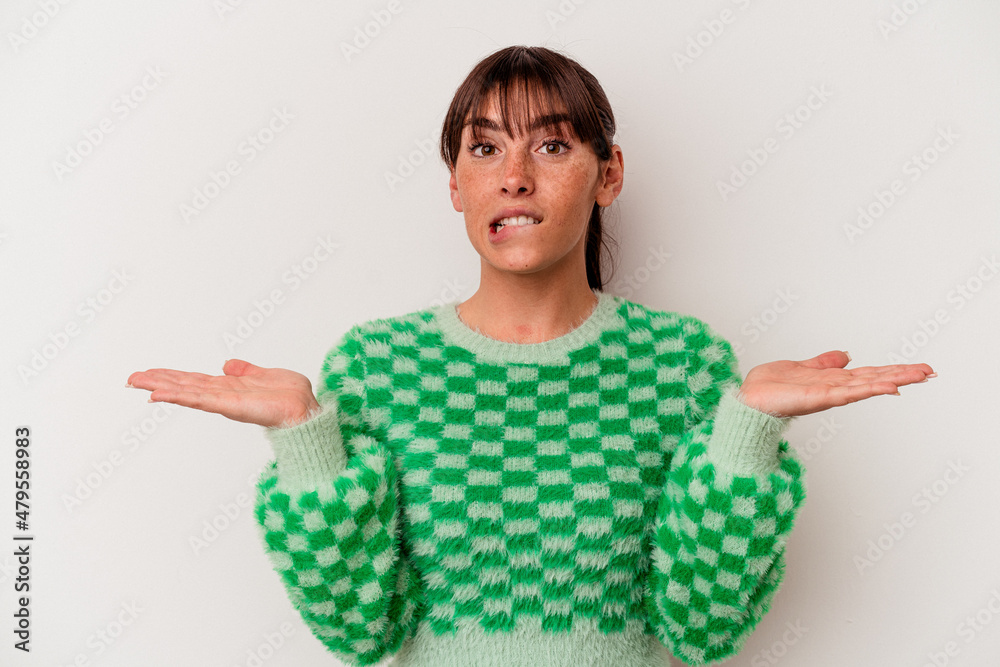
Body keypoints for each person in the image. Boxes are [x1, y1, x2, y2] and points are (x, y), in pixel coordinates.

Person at [127, 45, 935, 666]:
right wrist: (305, 441)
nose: (513, 177)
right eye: (483, 151)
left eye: (549, 148)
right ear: (455, 185)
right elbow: (361, 632)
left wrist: (746, 433)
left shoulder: (684, 362)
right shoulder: (376, 364)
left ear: (607, 173)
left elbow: (701, 631)